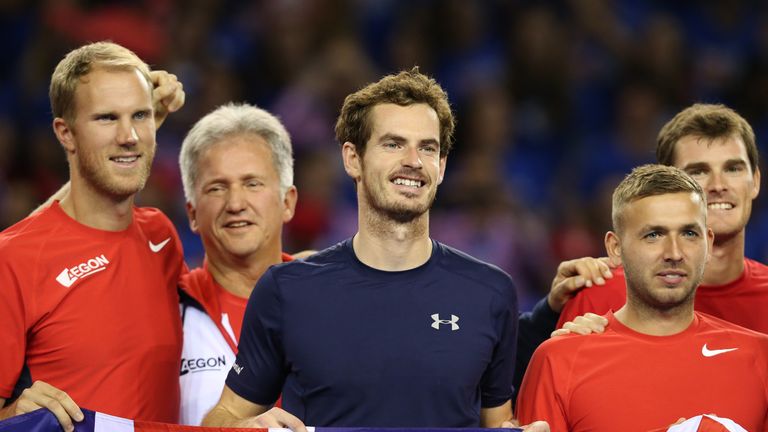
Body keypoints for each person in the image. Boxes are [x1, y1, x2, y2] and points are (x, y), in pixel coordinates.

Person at [202, 69, 548, 431]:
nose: (413, 160)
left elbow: (498, 424)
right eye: (393, 144)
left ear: (442, 166)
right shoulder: (286, 290)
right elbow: (222, 417)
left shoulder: (490, 292)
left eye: (427, 148)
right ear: (353, 158)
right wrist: (243, 428)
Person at [0, 41, 185, 431]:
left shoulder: (162, 235)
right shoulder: (13, 260)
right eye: (106, 118)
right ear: (65, 134)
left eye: (140, 115)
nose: (129, 135)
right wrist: (11, 418)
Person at [516, 164, 768, 431]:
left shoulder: (760, 357)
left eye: (689, 234)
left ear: (708, 243)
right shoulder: (558, 361)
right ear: (615, 248)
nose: (674, 253)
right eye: (654, 235)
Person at [557, 104, 767, 333]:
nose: (718, 185)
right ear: (665, 182)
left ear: (755, 181)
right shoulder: (598, 295)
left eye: (733, 169)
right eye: (698, 171)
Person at [177, 103, 297, 425]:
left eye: (252, 183)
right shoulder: (165, 313)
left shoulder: (329, 299)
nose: (235, 203)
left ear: (287, 202)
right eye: (217, 188)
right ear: (192, 214)